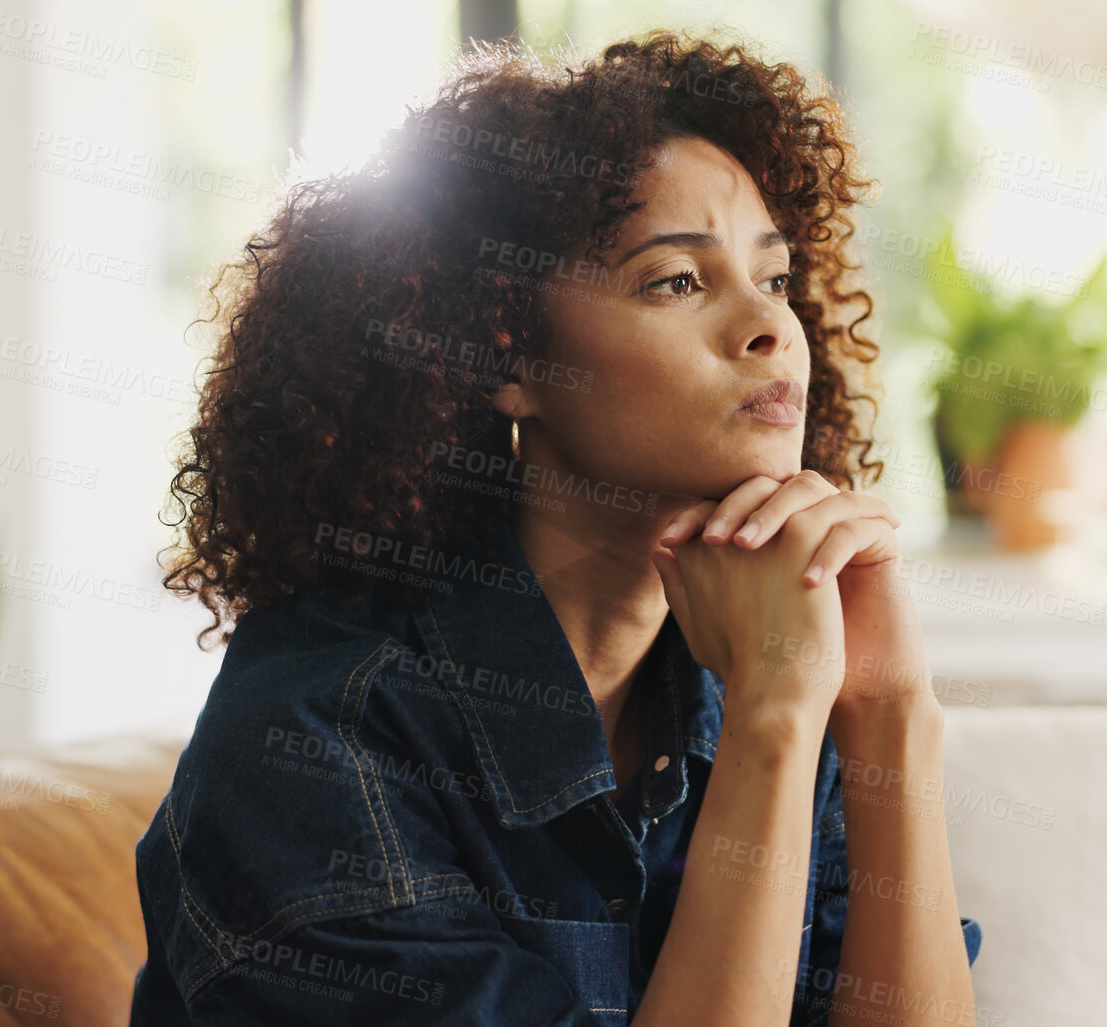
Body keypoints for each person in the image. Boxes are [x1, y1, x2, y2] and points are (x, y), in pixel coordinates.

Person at [132, 30, 980, 1026]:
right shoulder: (314, 737)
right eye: (676, 281)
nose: (768, 327)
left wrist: (889, 714)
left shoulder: (756, 658)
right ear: (506, 357)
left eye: (777, 277)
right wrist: (774, 722)